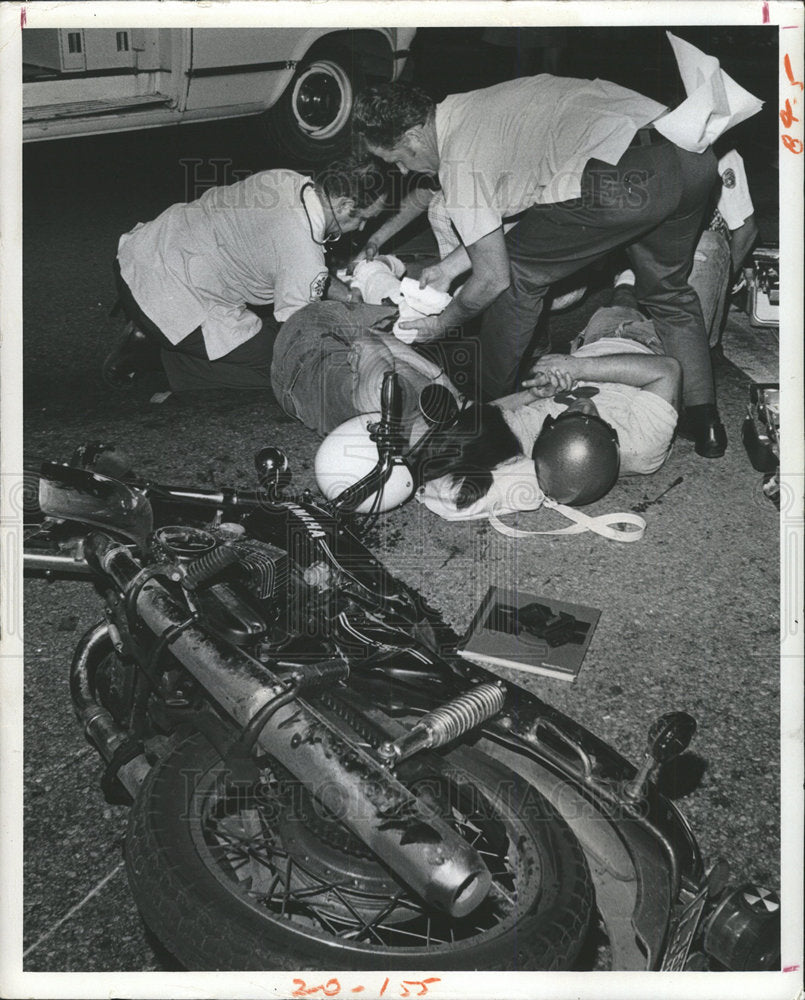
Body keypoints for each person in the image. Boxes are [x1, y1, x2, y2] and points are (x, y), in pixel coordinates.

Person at [352, 77, 727, 458]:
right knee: (667, 290)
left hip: (623, 174)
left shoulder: (457, 157)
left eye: (397, 159)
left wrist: (443, 323)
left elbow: (494, 276)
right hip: (689, 154)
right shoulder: (470, 106)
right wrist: (449, 268)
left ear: (414, 137)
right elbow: (521, 213)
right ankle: (704, 420)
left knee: (516, 280)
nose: (401, 171)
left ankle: (489, 413)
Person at [105, 158, 387, 392]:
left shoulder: (287, 179)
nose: (362, 228)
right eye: (363, 218)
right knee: (285, 369)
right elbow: (298, 334)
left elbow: (297, 264)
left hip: (137, 258)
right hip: (167, 303)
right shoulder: (303, 251)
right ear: (343, 206)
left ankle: (146, 332)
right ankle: (156, 364)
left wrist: (347, 295)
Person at [417, 278, 682, 515]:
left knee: (621, 299)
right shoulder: (642, 446)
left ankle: (626, 279)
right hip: (651, 343)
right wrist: (580, 368)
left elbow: (491, 413)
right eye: (596, 420)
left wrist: (534, 394)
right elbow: (667, 371)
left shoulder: (534, 449)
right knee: (682, 283)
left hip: (590, 343)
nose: (583, 407)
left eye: (567, 417)